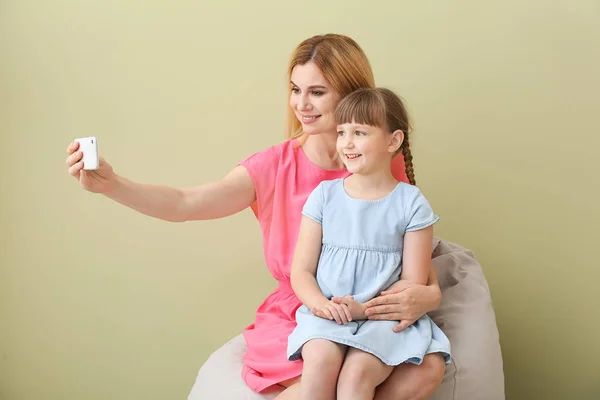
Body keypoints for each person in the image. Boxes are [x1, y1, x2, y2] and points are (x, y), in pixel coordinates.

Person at [65, 34, 447, 399]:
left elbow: (410, 258)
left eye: (317, 92)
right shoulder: (273, 166)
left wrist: (427, 297)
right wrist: (112, 185)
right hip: (303, 308)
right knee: (327, 371)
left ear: (351, 94)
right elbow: (185, 203)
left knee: (426, 369)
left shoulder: (380, 161)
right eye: (295, 90)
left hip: (371, 308)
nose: (302, 104)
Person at [286, 87, 451, 400]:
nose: (347, 142)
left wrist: (362, 309)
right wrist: (321, 305)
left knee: (357, 374)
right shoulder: (323, 196)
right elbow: (302, 271)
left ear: (393, 141)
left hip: (382, 318)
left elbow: (413, 282)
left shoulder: (411, 203)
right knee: (320, 362)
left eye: (359, 132)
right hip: (329, 313)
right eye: (342, 132)